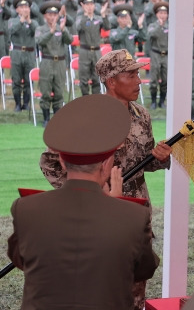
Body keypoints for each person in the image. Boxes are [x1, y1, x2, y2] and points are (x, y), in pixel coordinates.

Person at [40, 49, 172, 310]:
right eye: (131, 75)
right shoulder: (84, 116)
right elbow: (50, 163)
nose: (139, 80)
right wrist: (86, 190)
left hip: (135, 207)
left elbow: (145, 159)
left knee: (136, 279)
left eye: (138, 73)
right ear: (111, 81)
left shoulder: (141, 115)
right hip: (95, 211)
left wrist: (161, 157)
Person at [9, 94, 159, 310]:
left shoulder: (25, 208)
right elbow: (144, 269)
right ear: (107, 164)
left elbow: (22, 261)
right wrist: (115, 210)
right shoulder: (133, 216)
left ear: (61, 160)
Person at [35, 1, 71, 127]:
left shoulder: (61, 27)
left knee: (59, 91)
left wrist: (63, 30)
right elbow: (39, 41)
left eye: (55, 14)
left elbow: (70, 40)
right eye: (50, 14)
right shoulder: (41, 29)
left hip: (60, 62)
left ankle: (57, 118)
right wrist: (51, 32)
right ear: (45, 16)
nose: (52, 17)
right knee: (45, 90)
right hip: (47, 61)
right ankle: (46, 118)